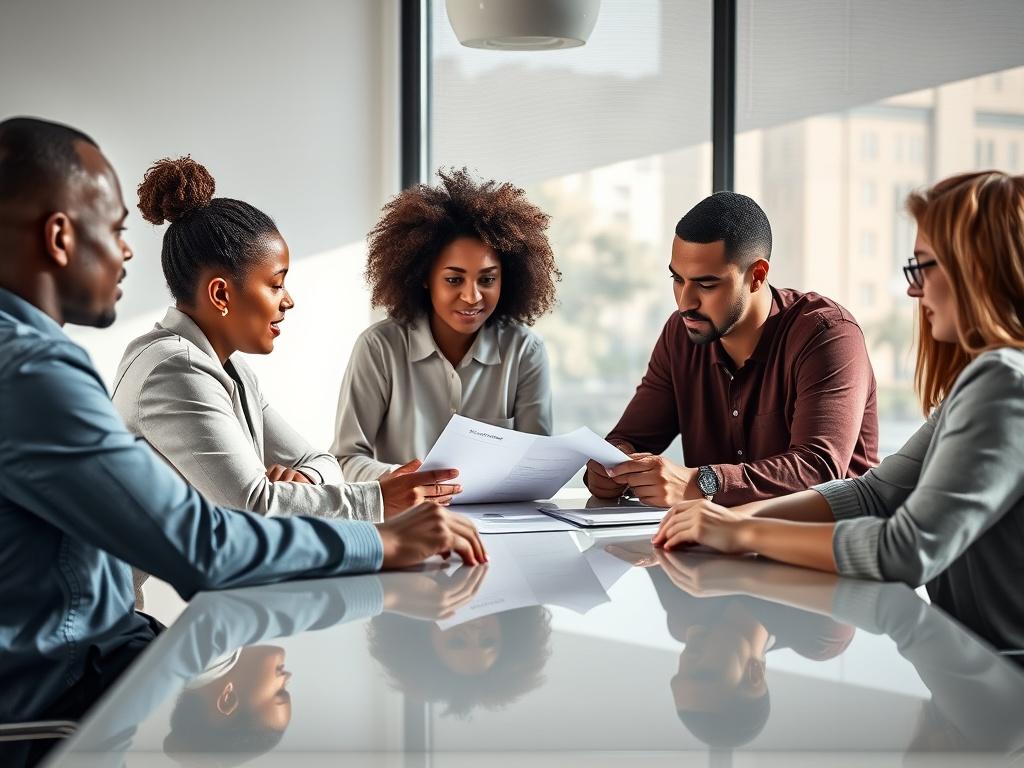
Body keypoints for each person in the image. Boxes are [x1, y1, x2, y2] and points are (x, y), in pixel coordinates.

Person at [0, 116, 485, 736]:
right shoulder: (50, 371)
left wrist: (305, 493)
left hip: (96, 651)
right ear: (61, 237)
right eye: (117, 229)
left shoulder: (206, 369)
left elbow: (312, 467)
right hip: (64, 693)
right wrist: (386, 538)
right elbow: (209, 541)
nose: (126, 250)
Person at [652, 172, 1024, 651]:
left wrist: (742, 530)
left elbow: (904, 550)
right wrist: (726, 524)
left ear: (977, 269)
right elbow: (871, 496)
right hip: (972, 673)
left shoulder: (1005, 383)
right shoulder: (982, 382)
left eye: (923, 268)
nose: (914, 291)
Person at [112, 157, 458, 602]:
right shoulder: (172, 370)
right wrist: (377, 498)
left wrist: (307, 482)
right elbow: (251, 509)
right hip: (97, 627)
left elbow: (319, 457)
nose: (288, 301)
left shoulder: (229, 370)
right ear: (220, 294)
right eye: (276, 285)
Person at [584, 191, 878, 507]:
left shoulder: (827, 335)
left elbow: (819, 468)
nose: (685, 303)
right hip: (719, 543)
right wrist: (610, 468)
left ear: (757, 276)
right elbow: (630, 438)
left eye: (706, 284)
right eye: (678, 279)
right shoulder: (680, 334)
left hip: (827, 546)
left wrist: (702, 483)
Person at [331, 168, 560, 485]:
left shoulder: (524, 350)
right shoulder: (379, 347)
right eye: (454, 279)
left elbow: (538, 464)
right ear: (425, 278)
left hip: (499, 524)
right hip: (406, 519)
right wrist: (401, 478)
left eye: (487, 279)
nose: (471, 296)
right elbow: (345, 458)